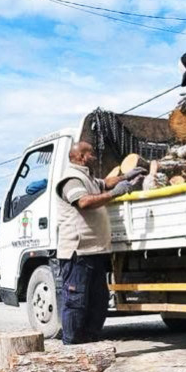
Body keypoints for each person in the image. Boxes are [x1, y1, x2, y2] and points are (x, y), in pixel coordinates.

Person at [55, 141, 145, 344]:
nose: (95, 157)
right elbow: (84, 202)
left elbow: (104, 183)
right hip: (78, 253)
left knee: (98, 302)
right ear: (81, 156)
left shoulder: (86, 177)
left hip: (95, 252)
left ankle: (91, 345)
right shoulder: (71, 179)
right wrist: (116, 193)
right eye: (92, 154)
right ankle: (72, 347)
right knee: (76, 303)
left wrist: (125, 177)